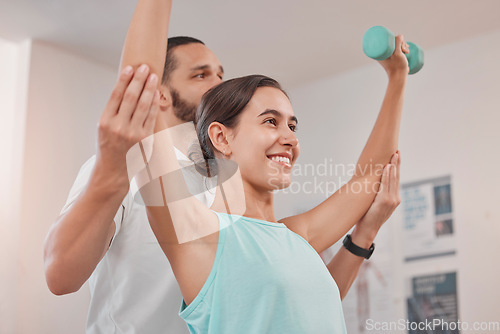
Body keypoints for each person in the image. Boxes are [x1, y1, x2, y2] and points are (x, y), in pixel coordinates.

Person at [43, 0, 402, 333]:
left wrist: (397, 79)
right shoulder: (191, 219)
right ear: (222, 137)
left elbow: (288, 306)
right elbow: (141, 90)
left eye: (293, 125)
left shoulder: (287, 233)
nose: (218, 83)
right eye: (201, 75)